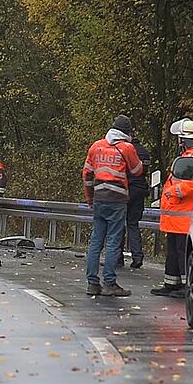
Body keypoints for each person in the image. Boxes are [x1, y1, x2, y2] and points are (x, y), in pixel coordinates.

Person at [83, 114, 143, 297]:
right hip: (117, 200)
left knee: (96, 241)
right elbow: (137, 171)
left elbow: (87, 174)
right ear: (127, 132)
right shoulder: (126, 147)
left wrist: (90, 198)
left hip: (99, 198)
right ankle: (109, 283)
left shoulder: (96, 146)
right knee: (113, 242)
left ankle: (92, 283)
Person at [151, 118, 193, 297]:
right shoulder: (190, 156)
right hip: (176, 217)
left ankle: (186, 286)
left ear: (184, 139)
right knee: (174, 251)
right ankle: (171, 283)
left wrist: (175, 191)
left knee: (182, 251)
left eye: (179, 139)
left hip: (185, 216)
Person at [120, 135, 151, 268]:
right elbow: (145, 172)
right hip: (139, 190)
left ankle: (117, 257)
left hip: (125, 189)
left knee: (119, 224)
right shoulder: (144, 151)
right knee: (133, 224)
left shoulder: (125, 150)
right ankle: (137, 256)